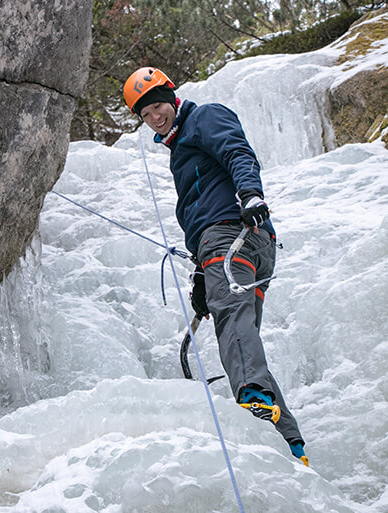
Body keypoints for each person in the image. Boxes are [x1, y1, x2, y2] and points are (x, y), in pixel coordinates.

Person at [123, 67, 308, 466]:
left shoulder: (204, 117)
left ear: (172, 97)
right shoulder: (180, 151)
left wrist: (252, 195)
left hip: (233, 232)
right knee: (239, 332)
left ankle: (254, 398)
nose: (155, 117)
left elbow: (237, 151)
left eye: (158, 106)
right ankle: (290, 445)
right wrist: (201, 276)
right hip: (233, 245)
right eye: (146, 114)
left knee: (233, 322)